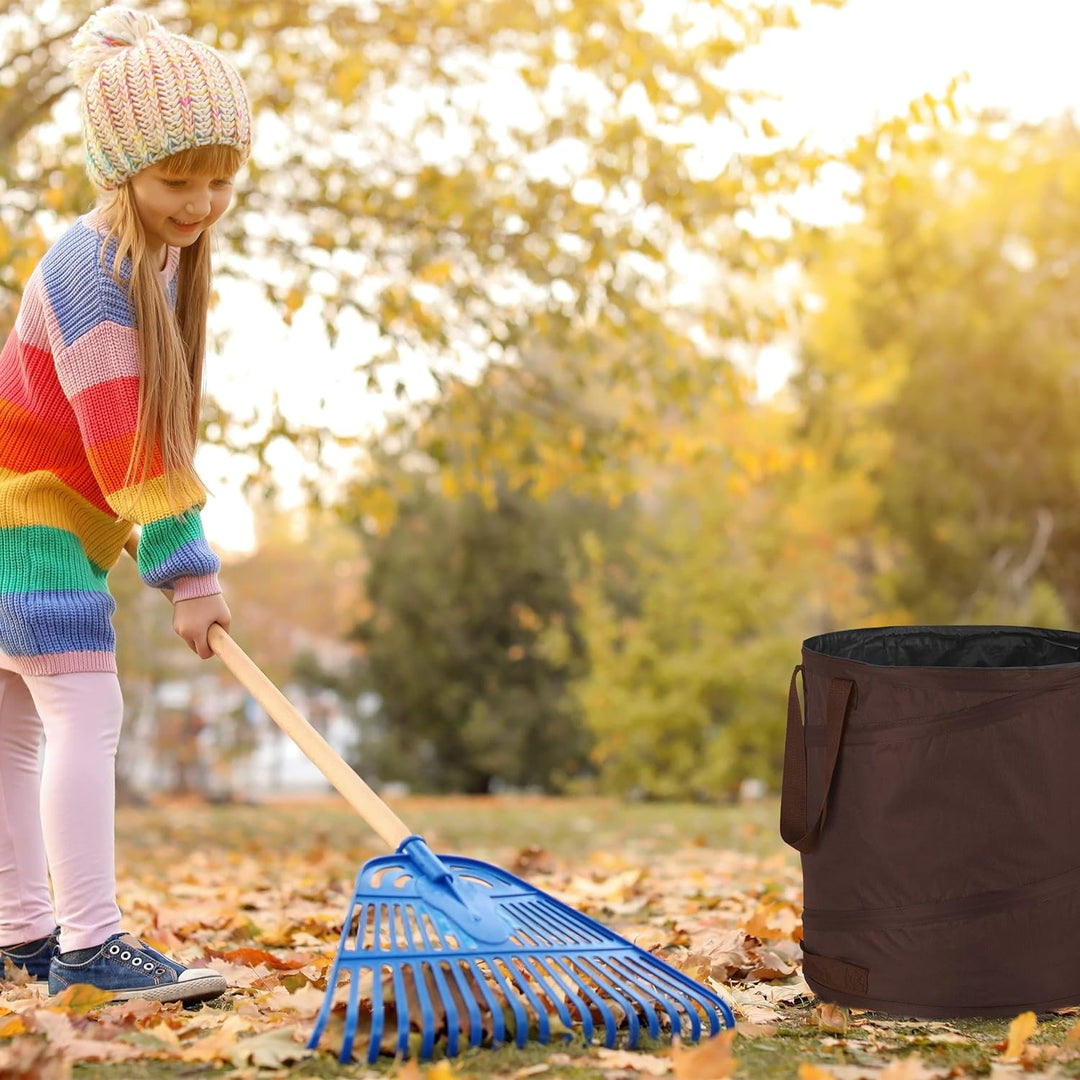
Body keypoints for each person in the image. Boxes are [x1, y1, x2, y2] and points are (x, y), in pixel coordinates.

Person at [0, 4, 252, 1003]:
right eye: (176, 180)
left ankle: (24, 932)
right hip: (26, 521)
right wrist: (189, 571)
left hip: (41, 516)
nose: (200, 203)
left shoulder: (154, 258)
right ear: (122, 174)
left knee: (19, 724)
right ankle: (90, 949)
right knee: (84, 708)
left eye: (219, 178)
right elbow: (131, 442)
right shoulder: (95, 273)